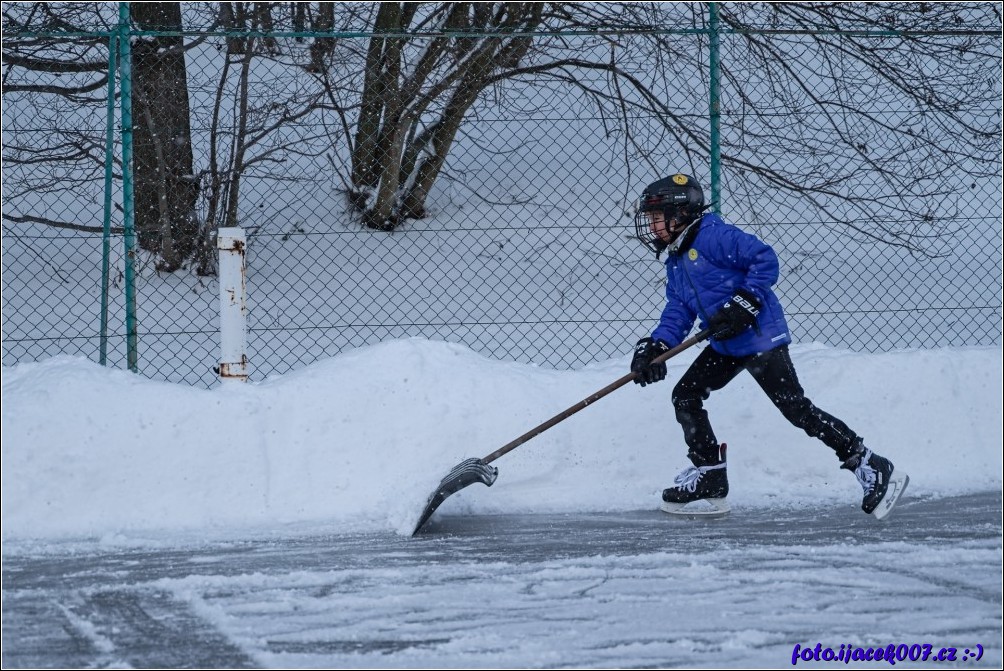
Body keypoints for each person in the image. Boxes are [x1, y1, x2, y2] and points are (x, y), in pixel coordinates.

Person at [629, 172, 908, 519]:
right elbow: (678, 309)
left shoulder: (714, 237)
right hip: (726, 343)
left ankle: (868, 461)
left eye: (656, 219)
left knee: (796, 409)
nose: (652, 227)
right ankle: (710, 477)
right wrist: (657, 346)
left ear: (680, 213)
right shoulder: (677, 259)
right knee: (685, 395)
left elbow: (764, 259)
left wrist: (744, 303)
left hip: (760, 336)